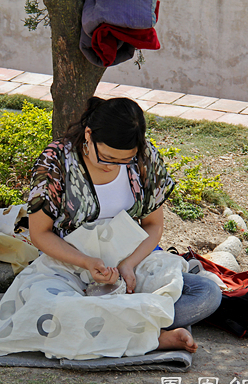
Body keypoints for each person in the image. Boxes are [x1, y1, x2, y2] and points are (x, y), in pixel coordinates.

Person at [27, 97, 222, 353]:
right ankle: (152, 334)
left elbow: (153, 226)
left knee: (206, 293)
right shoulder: (56, 161)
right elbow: (40, 234)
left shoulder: (145, 156)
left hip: (131, 258)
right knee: (45, 306)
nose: (114, 167)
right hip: (69, 264)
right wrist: (86, 261)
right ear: (89, 135)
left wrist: (128, 264)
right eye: (106, 157)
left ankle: (114, 326)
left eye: (124, 160)